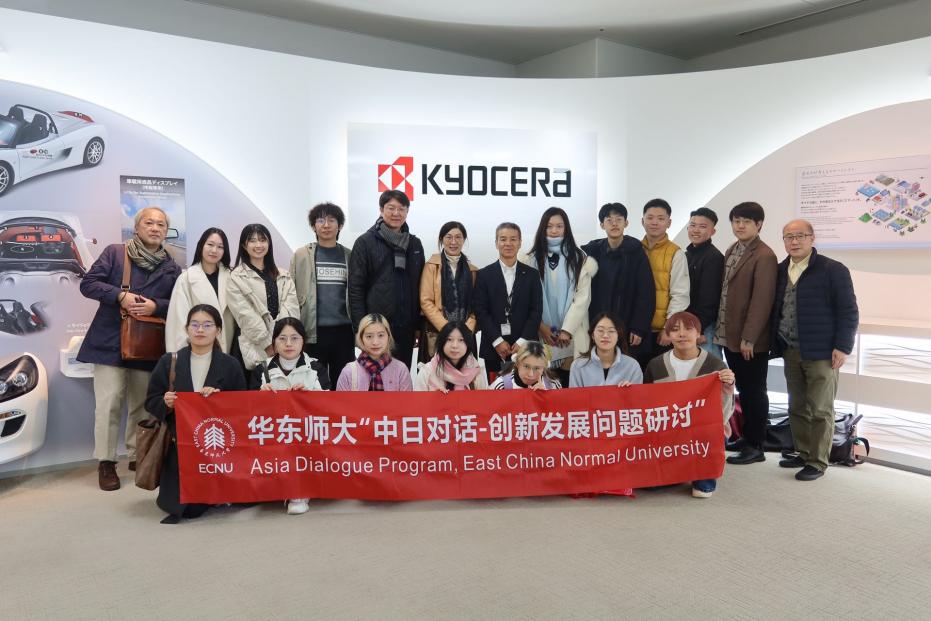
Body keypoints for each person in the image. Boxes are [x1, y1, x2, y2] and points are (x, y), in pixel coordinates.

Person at [78, 206, 181, 491]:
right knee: (109, 404)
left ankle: (138, 455)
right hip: (108, 343)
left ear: (166, 231)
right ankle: (106, 462)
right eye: (149, 223)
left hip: (146, 345)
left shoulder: (172, 267)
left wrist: (155, 306)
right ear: (136, 228)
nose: (155, 228)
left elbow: (178, 304)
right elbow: (88, 284)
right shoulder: (115, 253)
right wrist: (119, 296)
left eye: (161, 224)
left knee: (142, 404)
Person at [771, 219, 858, 481]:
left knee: (820, 409)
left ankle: (818, 462)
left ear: (812, 238)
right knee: (796, 405)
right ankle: (803, 451)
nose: (794, 242)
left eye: (800, 236)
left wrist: (842, 346)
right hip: (790, 348)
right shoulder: (780, 270)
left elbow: (848, 311)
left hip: (822, 351)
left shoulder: (832, 269)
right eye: (788, 237)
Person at [145, 304, 246, 523]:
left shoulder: (230, 365)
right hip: (180, 444)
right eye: (195, 325)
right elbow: (150, 401)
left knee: (205, 502)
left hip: (219, 444)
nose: (200, 330)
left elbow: (242, 408)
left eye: (208, 325)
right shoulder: (169, 362)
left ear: (218, 330)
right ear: (186, 329)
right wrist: (166, 403)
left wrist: (220, 400)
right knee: (188, 508)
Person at [643, 311, 735, 498]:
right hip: (668, 431)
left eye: (688, 329)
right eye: (675, 330)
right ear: (668, 335)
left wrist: (728, 386)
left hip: (704, 432)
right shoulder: (656, 365)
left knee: (711, 437)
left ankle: (704, 478)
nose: (682, 334)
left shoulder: (715, 365)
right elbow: (646, 404)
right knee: (650, 486)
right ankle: (678, 472)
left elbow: (725, 411)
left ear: (698, 334)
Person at [713, 202, 778, 465]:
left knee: (754, 391)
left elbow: (762, 301)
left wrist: (749, 338)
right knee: (742, 388)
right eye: (736, 221)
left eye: (746, 221)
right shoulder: (733, 249)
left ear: (759, 225)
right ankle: (747, 437)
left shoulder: (764, 255)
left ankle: (756, 445)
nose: (740, 226)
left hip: (749, 340)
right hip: (730, 335)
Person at [251, 317, 328, 514]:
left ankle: (298, 492)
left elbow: (328, 408)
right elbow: (249, 412)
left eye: (294, 338)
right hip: (273, 432)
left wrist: (309, 398)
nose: (288, 344)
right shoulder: (261, 369)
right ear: (274, 342)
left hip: (306, 433)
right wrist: (260, 397)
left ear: (303, 341)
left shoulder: (316, 368)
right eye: (282, 338)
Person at [348, 190, 425, 369]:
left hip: (406, 326)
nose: (396, 213)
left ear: (407, 212)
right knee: (375, 377)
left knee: (401, 374)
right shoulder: (365, 242)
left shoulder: (414, 244)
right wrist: (360, 329)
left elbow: (420, 287)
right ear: (381, 210)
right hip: (376, 327)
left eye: (401, 209)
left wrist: (418, 326)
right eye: (391, 208)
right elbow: (355, 288)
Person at [522, 207, 597, 386]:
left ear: (566, 228)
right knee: (543, 381)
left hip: (572, 333)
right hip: (541, 332)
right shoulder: (530, 259)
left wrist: (566, 330)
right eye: (549, 226)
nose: (554, 230)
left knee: (571, 383)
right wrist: (541, 327)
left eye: (559, 226)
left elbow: (582, 298)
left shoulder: (580, 258)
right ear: (542, 228)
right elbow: (526, 299)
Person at [289, 202, 354, 388]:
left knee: (343, 383)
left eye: (332, 220)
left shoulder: (349, 255)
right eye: (320, 220)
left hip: (344, 332)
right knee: (314, 383)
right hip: (312, 331)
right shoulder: (301, 255)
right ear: (313, 226)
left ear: (340, 225)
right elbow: (290, 292)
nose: (326, 225)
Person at [582, 203, 655, 361]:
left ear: (626, 223)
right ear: (602, 225)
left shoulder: (636, 253)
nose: (614, 224)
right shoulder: (592, 252)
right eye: (609, 220)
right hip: (598, 323)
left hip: (627, 323)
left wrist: (639, 327)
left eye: (619, 219)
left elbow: (646, 293)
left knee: (626, 366)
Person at [473, 223, 543, 380]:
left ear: (520, 242)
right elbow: (480, 311)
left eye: (513, 239)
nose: (508, 243)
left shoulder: (532, 275)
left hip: (526, 347)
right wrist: (497, 341)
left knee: (526, 390)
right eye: (503, 239)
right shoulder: (484, 274)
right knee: (497, 391)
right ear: (496, 243)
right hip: (494, 347)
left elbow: (536, 311)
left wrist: (522, 342)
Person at [227, 223, 299, 371]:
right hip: (252, 345)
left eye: (262, 240)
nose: (258, 245)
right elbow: (244, 314)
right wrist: (268, 344)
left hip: (283, 345)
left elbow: (291, 308)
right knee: (255, 383)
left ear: (269, 243)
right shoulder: (236, 277)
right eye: (252, 241)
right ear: (244, 245)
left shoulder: (283, 275)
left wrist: (282, 339)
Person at [166, 227, 235, 354]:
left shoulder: (232, 277)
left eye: (220, 247)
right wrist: (181, 357)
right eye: (210, 244)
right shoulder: (186, 279)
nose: (214, 250)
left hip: (229, 351)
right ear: (201, 246)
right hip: (196, 350)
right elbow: (178, 322)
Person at [639, 198, 690, 368]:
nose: (654, 222)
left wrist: (669, 328)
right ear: (642, 221)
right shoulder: (634, 249)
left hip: (660, 332)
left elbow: (680, 295)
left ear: (669, 223)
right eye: (650, 218)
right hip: (636, 330)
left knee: (660, 378)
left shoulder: (676, 253)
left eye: (661, 218)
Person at [419, 221, 479, 362]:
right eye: (448, 237)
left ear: (464, 240)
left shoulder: (472, 271)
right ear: (441, 239)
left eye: (458, 237)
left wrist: (466, 329)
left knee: (465, 373)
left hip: (465, 335)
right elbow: (425, 301)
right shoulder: (432, 266)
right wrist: (447, 328)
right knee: (435, 374)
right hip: (436, 332)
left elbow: (477, 304)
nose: (453, 242)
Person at [685, 207, 725, 357]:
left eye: (702, 226)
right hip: (689, 325)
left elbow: (710, 299)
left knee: (708, 368)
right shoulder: (687, 255)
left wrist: (698, 329)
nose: (696, 230)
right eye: (692, 225)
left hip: (704, 328)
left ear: (712, 231)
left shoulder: (714, 257)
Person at [336, 313, 413, 391]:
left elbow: (407, 399)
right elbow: (340, 399)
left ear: (388, 337)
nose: (375, 342)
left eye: (381, 335)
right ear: (361, 338)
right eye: (369, 336)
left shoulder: (401, 370)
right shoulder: (348, 372)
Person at [569, 313, 642, 387]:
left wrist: (631, 390)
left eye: (611, 331)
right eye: (600, 330)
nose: (605, 335)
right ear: (592, 335)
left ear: (618, 336)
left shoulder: (632, 366)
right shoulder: (578, 366)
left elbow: (639, 394)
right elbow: (574, 394)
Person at [414, 321, 488, 391]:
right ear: (441, 342)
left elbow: (482, 399)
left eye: (461, 340)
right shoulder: (427, 372)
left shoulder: (475, 372)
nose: (455, 346)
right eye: (449, 339)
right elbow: (418, 400)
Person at [490, 341, 561, 390]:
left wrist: (546, 396)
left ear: (544, 368)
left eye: (537, 368)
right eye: (526, 366)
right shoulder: (501, 386)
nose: (531, 374)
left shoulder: (552, 385)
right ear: (517, 364)